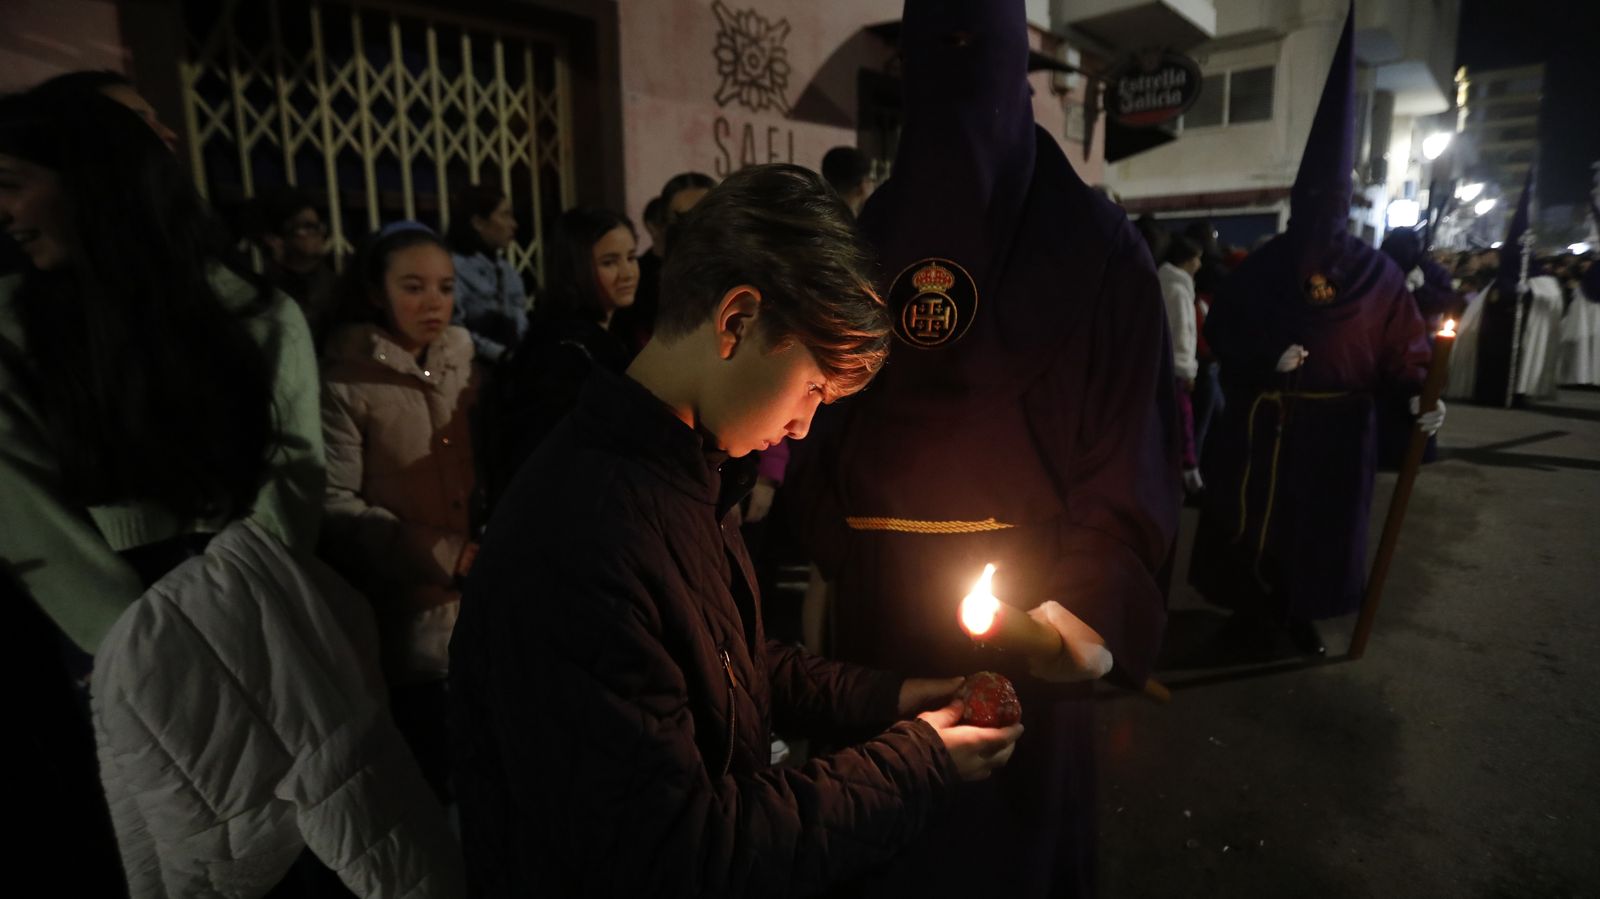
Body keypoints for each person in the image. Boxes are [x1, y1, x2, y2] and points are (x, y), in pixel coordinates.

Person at [449, 163, 1022, 897]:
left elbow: (730, 661)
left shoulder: (684, 472)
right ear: (738, 322)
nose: (804, 425)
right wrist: (917, 762)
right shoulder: (583, 539)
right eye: (812, 388)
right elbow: (682, 850)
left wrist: (894, 697)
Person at [781, 1, 1181, 895]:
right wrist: (828, 554)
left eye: (977, 55)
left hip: (1032, 618)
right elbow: (826, 416)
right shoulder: (864, 243)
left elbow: (1129, 447)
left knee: (1002, 851)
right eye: (936, 59)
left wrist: (1089, 610)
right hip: (874, 624)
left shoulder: (1099, 253)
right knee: (880, 835)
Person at [0, 88, 322, 890]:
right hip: (102, 622)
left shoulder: (255, 311)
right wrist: (141, 647)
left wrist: (243, 606)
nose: (4, 211)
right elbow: (29, 517)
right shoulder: (13, 326)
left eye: (13, 182)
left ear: (93, 179)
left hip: (245, 598)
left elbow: (293, 473)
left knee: (296, 831)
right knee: (169, 843)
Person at [1189, 2, 1438, 659]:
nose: (1323, 213)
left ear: (1347, 204)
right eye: (1312, 202)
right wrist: (1264, 358)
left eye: (1333, 203)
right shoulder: (1262, 267)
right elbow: (1224, 330)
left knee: (1317, 532)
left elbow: (1406, 350)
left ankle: (1302, 615)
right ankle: (1248, 613)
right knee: (1252, 524)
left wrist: (1421, 396)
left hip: (1336, 436)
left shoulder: (1379, 275)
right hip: (1263, 426)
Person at [320, 221, 482, 802]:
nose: (433, 302)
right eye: (413, 287)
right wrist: (442, 554)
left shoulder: (461, 360)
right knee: (426, 776)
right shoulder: (346, 382)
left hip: (477, 605)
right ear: (375, 292)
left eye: (445, 287)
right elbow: (336, 504)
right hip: (404, 615)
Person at [492, 205, 639, 497]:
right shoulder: (563, 351)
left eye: (631, 257)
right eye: (609, 262)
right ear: (576, 269)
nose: (627, 273)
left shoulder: (617, 335)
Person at [1454, 171, 1564, 406]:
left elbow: (1551, 301)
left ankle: (1516, 393)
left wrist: (1530, 293)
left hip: (1521, 335)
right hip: (1494, 335)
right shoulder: (1497, 281)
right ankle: (1489, 394)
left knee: (1515, 363)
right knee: (1492, 364)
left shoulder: (1540, 281)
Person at [610, 171, 716, 353]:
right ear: (665, 222)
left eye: (705, 215)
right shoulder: (639, 281)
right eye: (682, 218)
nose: (694, 226)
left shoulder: (741, 271)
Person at [446, 183, 528, 366]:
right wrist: (497, 353)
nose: (513, 225)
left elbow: (520, 319)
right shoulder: (453, 269)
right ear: (478, 223)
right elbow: (453, 328)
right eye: (505, 215)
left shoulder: (508, 272)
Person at [247, 185, 338, 342]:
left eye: (318, 225)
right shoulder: (264, 299)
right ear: (274, 239)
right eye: (307, 227)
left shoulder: (338, 288)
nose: (320, 232)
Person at [1160, 236, 1205, 494]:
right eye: (1198, 258)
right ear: (1187, 260)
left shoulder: (1164, 284)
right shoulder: (1178, 291)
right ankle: (1188, 478)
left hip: (1164, 368)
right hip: (1177, 369)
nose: (1200, 264)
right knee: (1183, 423)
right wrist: (1187, 370)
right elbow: (1183, 334)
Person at [821, 145, 877, 217]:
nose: (874, 184)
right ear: (863, 185)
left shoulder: (817, 217)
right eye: (871, 179)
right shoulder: (862, 222)